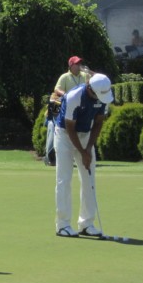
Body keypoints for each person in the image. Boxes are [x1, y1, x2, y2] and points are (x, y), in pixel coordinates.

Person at [54, 73, 114, 237]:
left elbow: (99, 123)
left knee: (89, 178)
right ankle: (62, 224)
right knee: (64, 179)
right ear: (89, 88)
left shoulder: (103, 97)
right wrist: (82, 152)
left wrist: (88, 149)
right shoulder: (74, 96)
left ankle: (86, 223)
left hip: (86, 134)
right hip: (65, 135)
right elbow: (70, 127)